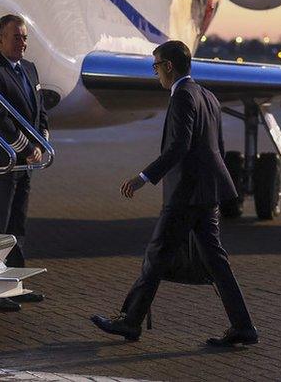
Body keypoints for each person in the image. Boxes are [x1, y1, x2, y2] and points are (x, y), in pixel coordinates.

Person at [90, 40, 258, 347]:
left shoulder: (182, 96)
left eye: (156, 66)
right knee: (215, 262)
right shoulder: (207, 95)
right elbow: (212, 146)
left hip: (186, 193)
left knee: (156, 256)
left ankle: (130, 322)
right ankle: (243, 326)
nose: (155, 74)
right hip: (208, 190)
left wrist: (143, 178)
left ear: (169, 66)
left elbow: (179, 146)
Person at [0, 14, 49, 312]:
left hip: (24, 164)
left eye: (25, 37)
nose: (22, 42)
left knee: (17, 227)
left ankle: (14, 285)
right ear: (0, 39)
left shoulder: (30, 69)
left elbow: (40, 111)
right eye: (16, 37)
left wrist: (41, 142)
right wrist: (27, 148)